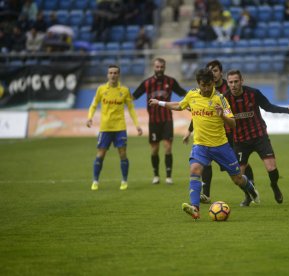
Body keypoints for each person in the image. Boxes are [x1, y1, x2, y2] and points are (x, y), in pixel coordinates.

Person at [149, 68, 259, 220]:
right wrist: (159, 103)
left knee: (237, 179)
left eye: (209, 85)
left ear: (213, 82)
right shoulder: (192, 94)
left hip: (221, 146)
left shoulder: (220, 99)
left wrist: (223, 116)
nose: (206, 89)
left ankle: (250, 188)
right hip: (200, 145)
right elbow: (179, 105)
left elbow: (233, 124)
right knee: (194, 169)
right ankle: (195, 209)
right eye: (203, 85)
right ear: (198, 84)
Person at [225, 69, 289, 206]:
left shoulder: (253, 93)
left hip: (259, 136)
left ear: (242, 81)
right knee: (237, 177)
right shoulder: (224, 99)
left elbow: (268, 107)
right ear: (227, 83)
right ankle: (249, 194)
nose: (233, 85)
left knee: (271, 167)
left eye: (236, 81)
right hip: (240, 140)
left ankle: (274, 185)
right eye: (230, 82)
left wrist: (288, 111)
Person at [183, 60, 255, 205]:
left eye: (215, 71)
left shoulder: (223, 93)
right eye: (211, 71)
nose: (213, 74)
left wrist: (223, 114)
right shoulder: (198, 93)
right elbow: (199, 114)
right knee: (201, 166)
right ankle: (202, 200)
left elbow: (231, 117)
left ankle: (249, 191)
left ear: (220, 73)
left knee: (239, 172)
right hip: (204, 141)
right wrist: (189, 131)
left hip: (227, 136)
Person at [87, 64, 143, 191]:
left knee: (122, 154)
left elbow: (131, 109)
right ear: (107, 75)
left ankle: (124, 181)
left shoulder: (124, 90)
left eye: (115, 73)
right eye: (111, 73)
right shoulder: (101, 89)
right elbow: (94, 104)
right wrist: (89, 117)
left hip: (120, 128)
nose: (113, 75)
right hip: (105, 128)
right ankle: (95, 181)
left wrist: (137, 125)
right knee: (100, 154)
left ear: (119, 75)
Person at [132, 57, 187, 185]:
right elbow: (133, 96)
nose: (159, 69)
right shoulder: (147, 83)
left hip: (167, 119)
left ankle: (168, 176)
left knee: (168, 147)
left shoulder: (171, 81)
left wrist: (196, 96)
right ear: (153, 67)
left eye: (161, 67)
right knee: (154, 149)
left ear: (165, 67)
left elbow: (183, 93)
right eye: (157, 67)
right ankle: (156, 175)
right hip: (153, 121)